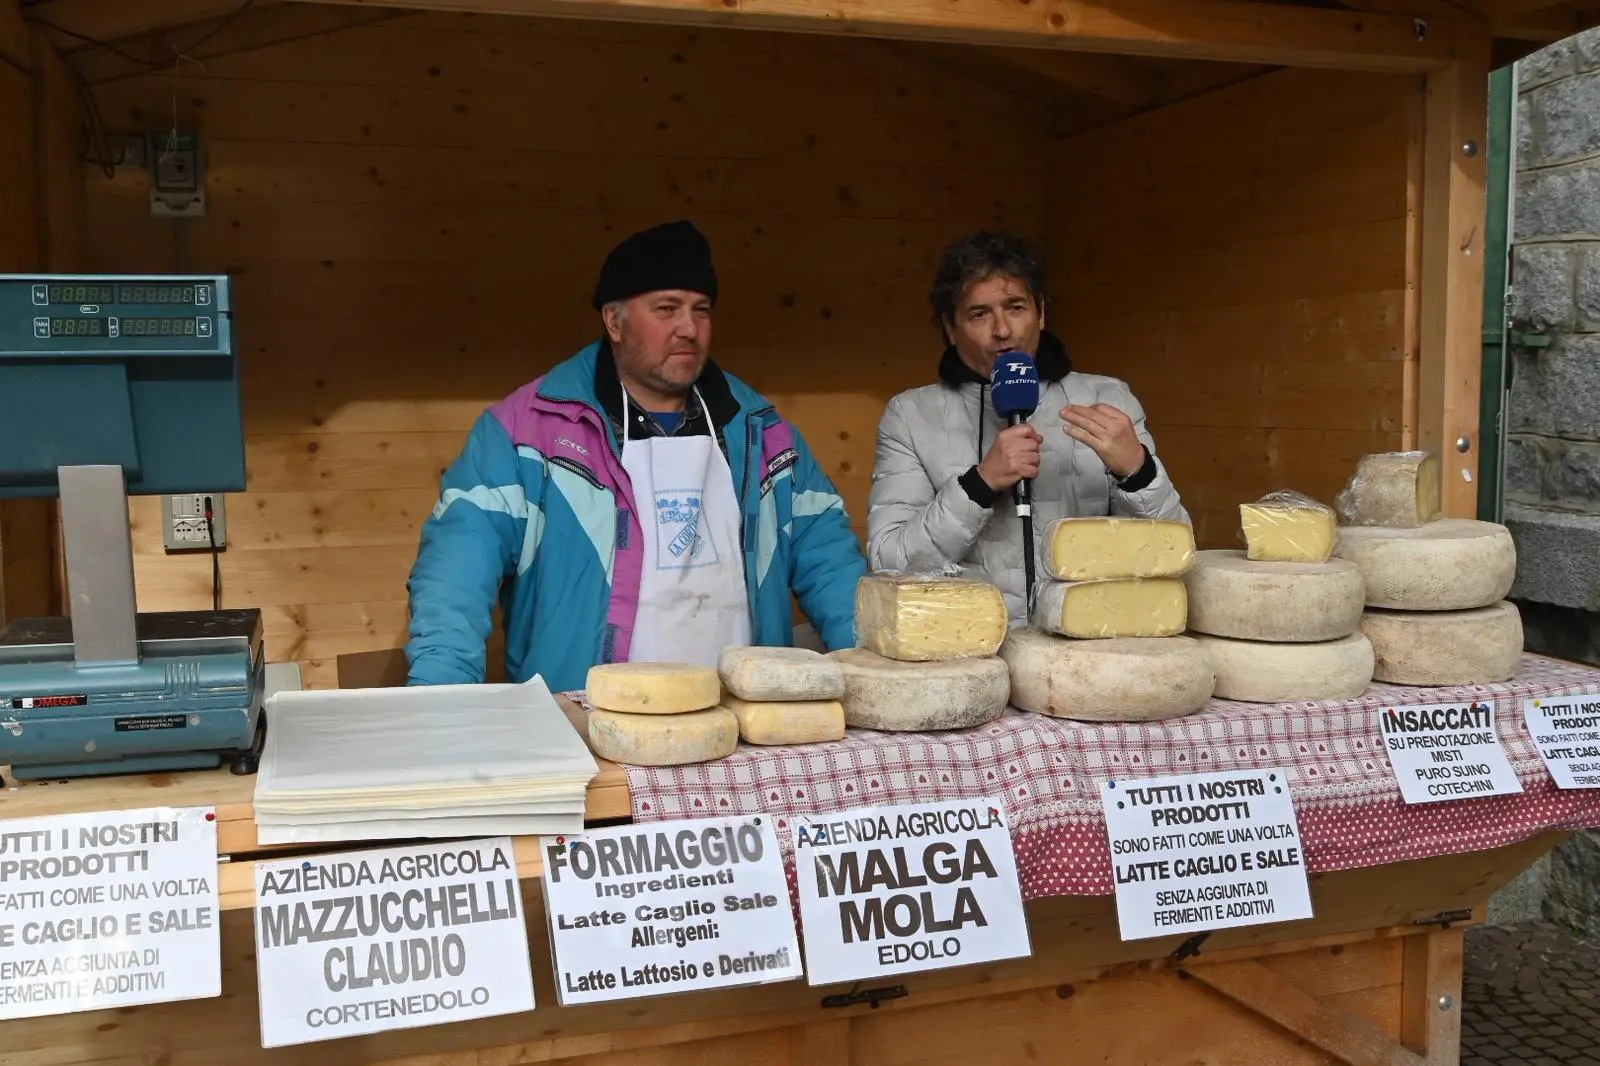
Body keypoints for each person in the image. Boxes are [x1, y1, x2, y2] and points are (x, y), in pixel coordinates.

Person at [405, 220, 867, 690]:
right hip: (587, 726)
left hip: (740, 729)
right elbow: (454, 580)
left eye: (701, 310)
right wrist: (440, 705)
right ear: (614, 321)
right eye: (667, 308)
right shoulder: (526, 434)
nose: (688, 327)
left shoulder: (764, 433)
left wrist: (872, 672)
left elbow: (830, 561)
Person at [867, 229, 1189, 623]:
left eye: (1015, 307)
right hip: (972, 653)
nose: (1002, 330)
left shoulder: (1108, 399)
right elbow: (889, 564)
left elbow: (1175, 554)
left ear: (1040, 311)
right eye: (979, 314)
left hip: (1088, 649)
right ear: (951, 330)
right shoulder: (911, 415)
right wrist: (979, 486)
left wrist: (1139, 474)